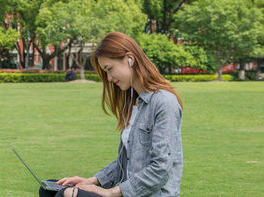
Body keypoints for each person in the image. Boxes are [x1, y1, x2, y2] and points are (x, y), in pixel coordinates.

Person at [39, 31, 183, 197]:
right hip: (125, 191)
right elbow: (126, 162)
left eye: (109, 69)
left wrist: (110, 192)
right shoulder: (132, 104)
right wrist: (92, 181)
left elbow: (161, 170)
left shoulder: (164, 102)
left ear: (130, 60)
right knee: (48, 189)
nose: (108, 78)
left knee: (68, 195)